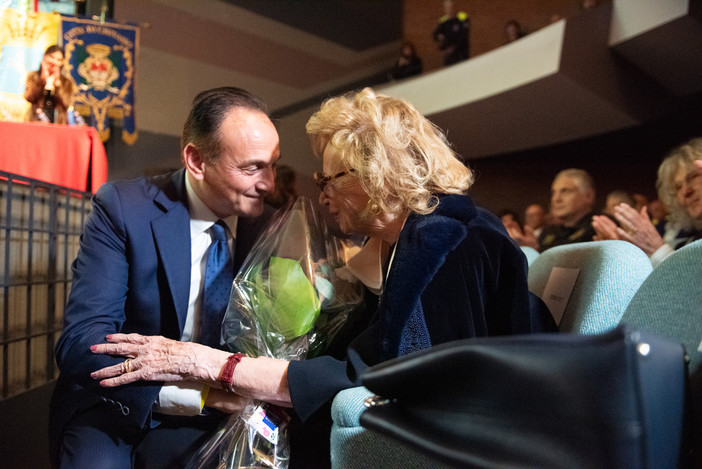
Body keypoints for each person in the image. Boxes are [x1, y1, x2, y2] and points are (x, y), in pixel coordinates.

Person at [89, 88, 556, 468]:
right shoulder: (408, 237)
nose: (322, 194)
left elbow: (386, 376)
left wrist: (215, 365)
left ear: (374, 174)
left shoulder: (445, 240)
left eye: (329, 178)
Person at [49, 87, 279, 469]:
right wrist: (197, 396)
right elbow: (81, 342)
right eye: (251, 167)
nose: (268, 183)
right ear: (196, 160)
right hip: (117, 404)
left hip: (226, 410)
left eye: (272, 164)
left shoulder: (272, 228)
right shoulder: (123, 207)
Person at [592, 138, 702, 268]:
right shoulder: (687, 242)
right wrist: (628, 256)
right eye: (678, 187)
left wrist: (658, 251)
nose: (685, 191)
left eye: (693, 177)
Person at [539, 168, 597, 251]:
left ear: (588, 196)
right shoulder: (548, 232)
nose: (556, 199)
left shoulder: (600, 228)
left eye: (565, 191)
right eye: (553, 192)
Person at [24, 45, 74, 124]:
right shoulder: (33, 77)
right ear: (45, 56)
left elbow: (67, 103)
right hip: (35, 122)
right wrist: (43, 81)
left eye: (59, 59)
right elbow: (29, 97)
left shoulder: (66, 82)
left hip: (58, 124)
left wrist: (57, 85)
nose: (54, 62)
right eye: (52, 57)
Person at [432, 0, 470, 66]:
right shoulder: (443, 21)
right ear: (444, 9)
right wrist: (440, 40)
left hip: (461, 55)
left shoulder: (462, 18)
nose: (449, 9)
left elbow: (463, 36)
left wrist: (453, 48)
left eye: (450, 7)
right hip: (449, 57)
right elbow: (435, 35)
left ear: (454, 7)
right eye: (447, 7)